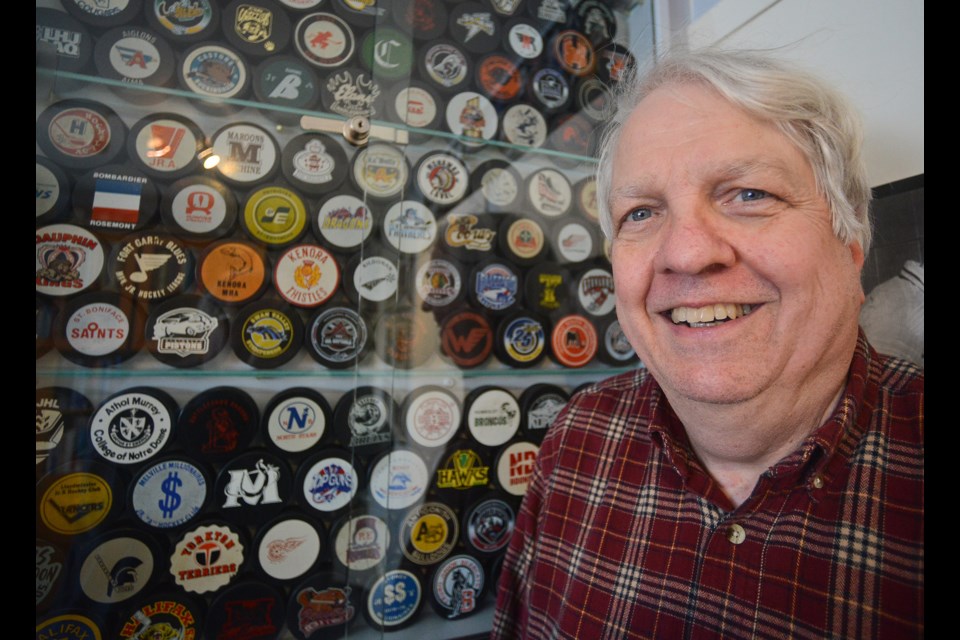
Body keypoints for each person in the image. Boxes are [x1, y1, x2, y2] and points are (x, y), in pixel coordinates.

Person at [491, 47, 924, 639]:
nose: (687, 252)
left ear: (851, 246)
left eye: (749, 195)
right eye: (641, 212)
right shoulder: (577, 437)